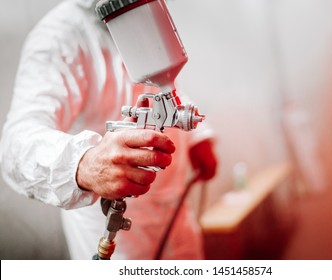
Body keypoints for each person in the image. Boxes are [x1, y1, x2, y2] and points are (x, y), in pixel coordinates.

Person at [0, 0, 217, 260]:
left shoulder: (143, 12)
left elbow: (165, 90)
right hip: (116, 233)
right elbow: (15, 144)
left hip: (176, 217)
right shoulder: (60, 36)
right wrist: (83, 164)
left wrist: (198, 137)